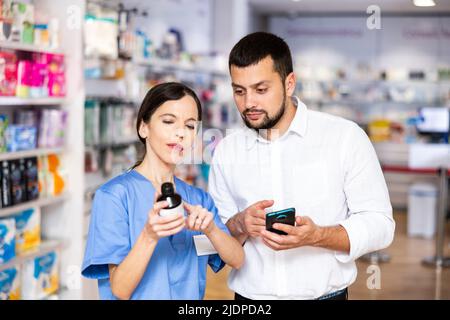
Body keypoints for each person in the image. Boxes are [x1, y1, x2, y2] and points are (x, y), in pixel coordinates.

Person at [208, 32, 395, 300]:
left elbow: (380, 224)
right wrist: (239, 224)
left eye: (261, 90)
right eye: (239, 91)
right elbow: (219, 241)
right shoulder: (227, 150)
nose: (249, 103)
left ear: (289, 83)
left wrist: (317, 236)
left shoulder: (343, 137)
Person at [81, 82, 244, 300]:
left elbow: (238, 260)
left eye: (190, 126)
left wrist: (212, 230)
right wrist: (149, 236)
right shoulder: (114, 196)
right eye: (168, 121)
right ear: (143, 127)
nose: (180, 133)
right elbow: (119, 289)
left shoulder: (198, 200)